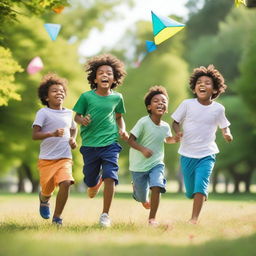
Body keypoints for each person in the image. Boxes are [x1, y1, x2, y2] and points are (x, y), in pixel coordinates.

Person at [171, 65, 233, 224]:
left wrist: (226, 133)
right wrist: (177, 132)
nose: (202, 84)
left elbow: (224, 124)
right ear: (194, 87)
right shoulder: (187, 104)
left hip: (207, 153)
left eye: (207, 82)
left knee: (200, 185)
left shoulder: (218, 109)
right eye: (199, 82)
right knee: (190, 191)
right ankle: (199, 194)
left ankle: (193, 219)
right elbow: (175, 122)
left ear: (214, 89)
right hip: (187, 153)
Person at [73, 54, 128, 228]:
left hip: (110, 143)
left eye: (109, 73)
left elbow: (119, 117)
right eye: (101, 72)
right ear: (95, 78)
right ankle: (94, 183)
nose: (105, 75)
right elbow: (77, 116)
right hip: (90, 145)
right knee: (90, 180)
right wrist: (83, 121)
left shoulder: (117, 98)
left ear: (114, 79)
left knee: (110, 176)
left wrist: (123, 129)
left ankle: (105, 215)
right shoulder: (86, 97)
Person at [128, 86, 178, 227]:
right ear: (149, 107)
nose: (160, 103)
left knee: (157, 185)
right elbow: (130, 140)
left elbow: (167, 139)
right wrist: (142, 149)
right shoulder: (143, 122)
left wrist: (176, 138)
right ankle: (137, 192)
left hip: (156, 163)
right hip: (138, 166)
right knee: (141, 198)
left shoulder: (165, 126)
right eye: (156, 101)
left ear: (166, 107)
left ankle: (152, 219)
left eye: (163, 101)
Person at [32, 73, 77, 225]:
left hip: (65, 157)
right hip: (46, 159)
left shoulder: (69, 113)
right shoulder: (43, 113)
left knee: (66, 182)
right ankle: (44, 199)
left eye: (61, 90)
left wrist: (73, 139)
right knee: (47, 190)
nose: (59, 93)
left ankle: (57, 217)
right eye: (54, 91)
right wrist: (52, 133)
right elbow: (35, 135)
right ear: (46, 97)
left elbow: (73, 128)